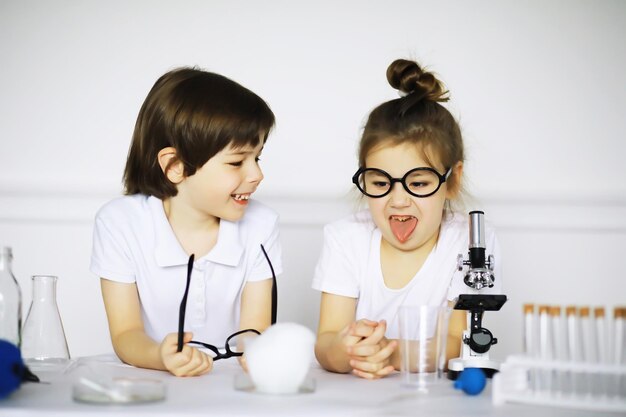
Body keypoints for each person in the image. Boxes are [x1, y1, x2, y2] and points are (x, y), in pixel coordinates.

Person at [312, 59, 502, 379]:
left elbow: (457, 343)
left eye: (418, 183)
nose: (398, 200)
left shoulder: (470, 241)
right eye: (380, 183)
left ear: (452, 180)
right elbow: (327, 339)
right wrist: (347, 351)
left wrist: (388, 351)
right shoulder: (345, 238)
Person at [90, 67, 282, 377]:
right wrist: (160, 356)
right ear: (175, 165)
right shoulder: (120, 223)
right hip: (152, 385)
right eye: (237, 162)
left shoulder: (262, 224)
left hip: (231, 388)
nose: (257, 175)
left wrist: (258, 352)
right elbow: (126, 334)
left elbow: (255, 329)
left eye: (257, 158)